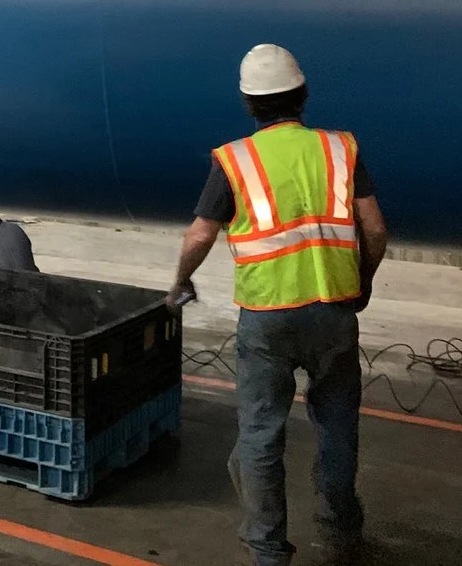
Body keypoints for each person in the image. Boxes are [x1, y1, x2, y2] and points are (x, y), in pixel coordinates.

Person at [166, 44, 388, 566]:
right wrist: (361, 281)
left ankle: (268, 551)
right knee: (337, 425)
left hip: (267, 318)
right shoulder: (340, 149)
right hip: (334, 309)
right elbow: (375, 229)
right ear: (303, 94)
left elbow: (200, 235)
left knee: (261, 433)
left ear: (249, 103)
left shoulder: (235, 159)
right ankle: (341, 528)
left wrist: (180, 282)